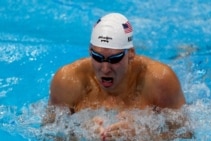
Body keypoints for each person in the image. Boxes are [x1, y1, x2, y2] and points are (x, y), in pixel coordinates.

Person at [44, 13, 193, 140]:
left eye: (114, 59)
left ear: (131, 53)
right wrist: (80, 134)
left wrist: (144, 135)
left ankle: (184, 53)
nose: (105, 68)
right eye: (97, 57)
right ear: (90, 51)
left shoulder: (160, 80)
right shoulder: (67, 81)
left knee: (182, 62)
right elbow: (46, 134)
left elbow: (187, 134)